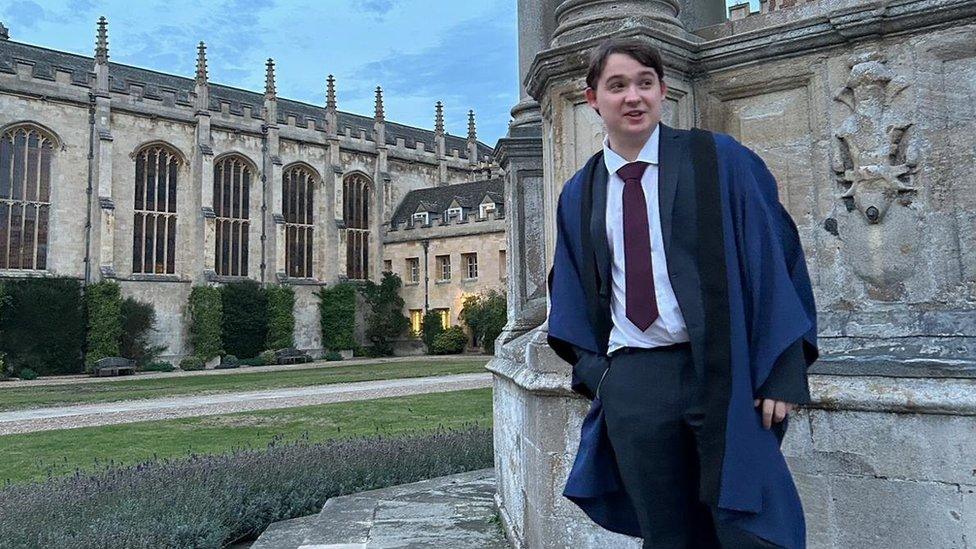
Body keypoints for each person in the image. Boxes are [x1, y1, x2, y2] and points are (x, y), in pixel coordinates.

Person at [546, 37, 818, 549]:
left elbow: (777, 253)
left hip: (721, 371)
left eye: (645, 84)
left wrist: (782, 368)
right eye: (618, 85)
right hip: (635, 380)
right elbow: (570, 292)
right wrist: (602, 377)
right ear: (592, 99)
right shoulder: (580, 192)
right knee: (666, 534)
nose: (634, 97)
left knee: (749, 528)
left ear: (662, 91)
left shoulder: (718, 160)